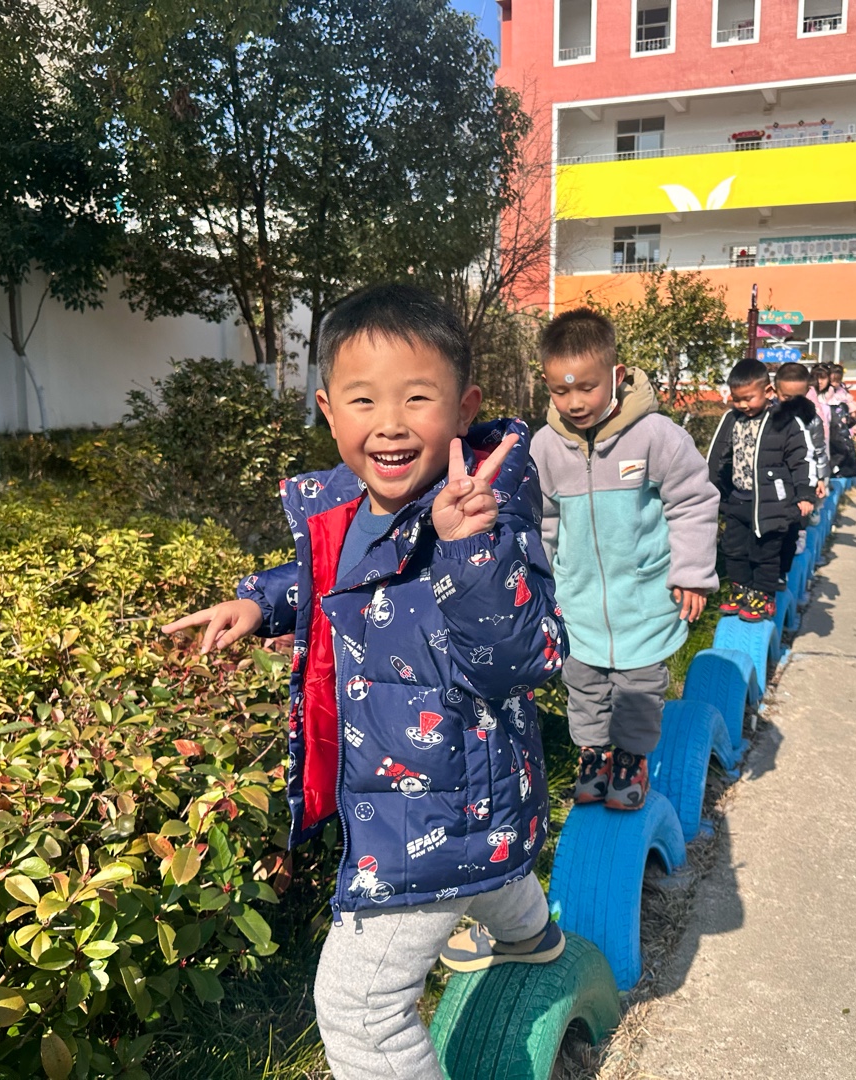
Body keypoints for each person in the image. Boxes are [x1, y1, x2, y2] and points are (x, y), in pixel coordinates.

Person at [161, 284, 567, 1080]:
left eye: (417, 398)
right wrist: (260, 601)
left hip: (439, 810)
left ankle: (521, 925)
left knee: (360, 1011)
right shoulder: (348, 502)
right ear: (327, 410)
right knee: (498, 876)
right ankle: (532, 935)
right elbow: (337, 578)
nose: (389, 423)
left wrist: (467, 547)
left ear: (464, 408)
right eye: (363, 400)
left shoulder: (485, 513)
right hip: (432, 797)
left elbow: (523, 657)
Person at [531, 308, 719, 812]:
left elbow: (693, 502)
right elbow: (541, 523)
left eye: (587, 388)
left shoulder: (656, 436)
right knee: (583, 684)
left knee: (639, 688)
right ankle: (593, 757)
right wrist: (539, 589)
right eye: (560, 391)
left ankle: (632, 759)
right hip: (578, 600)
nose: (574, 402)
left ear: (616, 376)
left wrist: (692, 574)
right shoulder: (545, 447)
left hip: (643, 598)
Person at [707, 358, 819, 623]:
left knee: (765, 552)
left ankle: (764, 596)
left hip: (771, 502)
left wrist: (805, 493)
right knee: (734, 548)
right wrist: (708, 488)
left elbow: (802, 459)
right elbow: (716, 456)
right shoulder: (731, 419)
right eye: (736, 399)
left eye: (748, 398)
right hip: (737, 499)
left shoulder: (785, 421)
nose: (742, 405)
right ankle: (741, 589)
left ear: (768, 392)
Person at [775, 362, 829, 588]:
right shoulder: (770, 416)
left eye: (797, 398)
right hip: (775, 478)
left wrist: (820, 478)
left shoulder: (812, 419)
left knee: (793, 523)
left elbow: (819, 451)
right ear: (775, 391)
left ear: (807, 392)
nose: (791, 403)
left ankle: (783, 571)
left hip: (801, 479)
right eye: (786, 397)